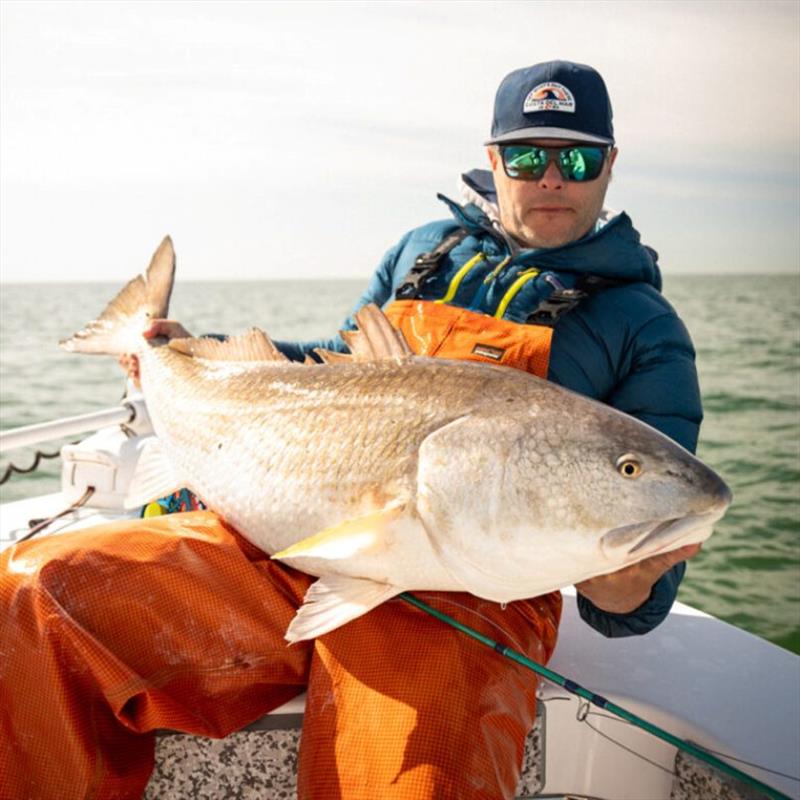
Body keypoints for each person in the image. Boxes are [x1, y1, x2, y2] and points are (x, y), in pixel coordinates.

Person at [0, 60, 702, 800]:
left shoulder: (645, 330)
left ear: (610, 166)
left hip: (466, 602)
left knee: (412, 782)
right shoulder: (421, 253)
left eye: (578, 157)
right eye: (528, 155)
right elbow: (327, 372)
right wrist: (184, 351)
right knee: (34, 596)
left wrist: (626, 585)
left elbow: (635, 594)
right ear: (494, 160)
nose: (552, 177)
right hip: (295, 536)